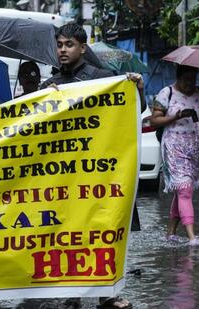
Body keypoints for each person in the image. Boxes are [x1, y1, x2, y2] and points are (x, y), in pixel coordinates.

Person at [39, 23, 144, 309]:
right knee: (69, 232)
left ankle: (108, 294)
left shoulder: (104, 78)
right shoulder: (48, 86)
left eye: (69, 45)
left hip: (99, 170)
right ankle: (72, 291)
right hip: (64, 174)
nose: (63, 50)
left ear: (82, 47)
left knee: (103, 229)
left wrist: (139, 90)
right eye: (59, 44)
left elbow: (132, 111)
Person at [149, 64, 198, 245]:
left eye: (193, 80)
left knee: (182, 191)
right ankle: (192, 237)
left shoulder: (198, 93)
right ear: (178, 78)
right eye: (186, 80)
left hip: (194, 148)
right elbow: (154, 120)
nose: (190, 84)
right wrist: (175, 117)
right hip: (173, 147)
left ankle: (170, 233)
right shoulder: (166, 93)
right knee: (184, 189)